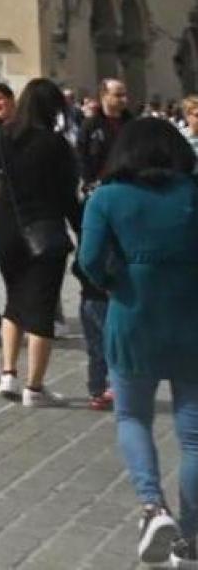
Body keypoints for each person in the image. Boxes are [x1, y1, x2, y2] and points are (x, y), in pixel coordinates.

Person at [76, 117, 198, 564]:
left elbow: (89, 260)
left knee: (132, 416)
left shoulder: (106, 197)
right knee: (194, 436)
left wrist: (116, 282)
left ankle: (152, 506)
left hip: (132, 313)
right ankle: (192, 536)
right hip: (190, 315)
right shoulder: (193, 193)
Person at [0, 78, 81, 404]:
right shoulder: (56, 144)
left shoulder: (1, 136)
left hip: (6, 223)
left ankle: (8, 373)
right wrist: (81, 229)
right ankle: (34, 387)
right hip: (44, 227)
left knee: (15, 297)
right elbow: (67, 196)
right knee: (42, 305)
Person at [80, 78, 132, 193]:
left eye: (125, 95)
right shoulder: (90, 125)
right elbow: (82, 155)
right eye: (118, 95)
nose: (124, 99)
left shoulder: (132, 123)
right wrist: (89, 182)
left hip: (127, 185)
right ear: (104, 96)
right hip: (100, 187)